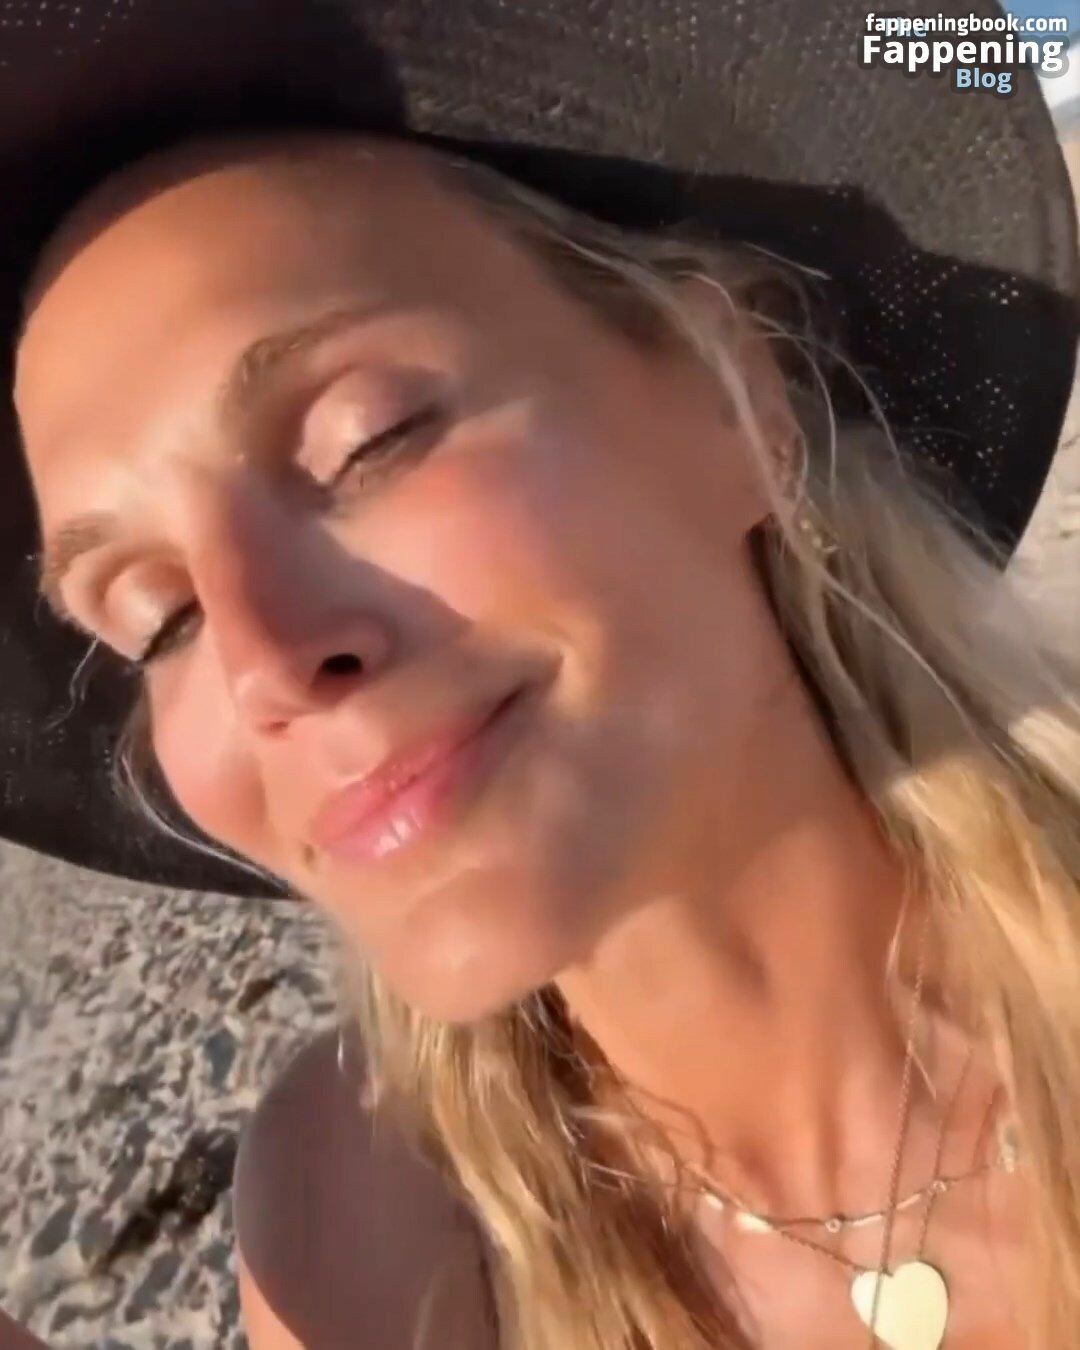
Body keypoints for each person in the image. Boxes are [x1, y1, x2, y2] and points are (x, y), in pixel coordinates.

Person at [0, 2, 1077, 1347]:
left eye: (367, 439)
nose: (266, 660)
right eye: (158, 619)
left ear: (734, 389)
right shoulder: (366, 1234)